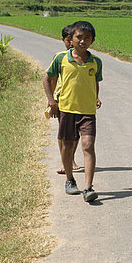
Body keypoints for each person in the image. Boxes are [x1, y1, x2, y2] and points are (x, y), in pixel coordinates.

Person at [43, 21, 103, 203]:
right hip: (67, 110)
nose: (83, 41)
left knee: (88, 145)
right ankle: (70, 180)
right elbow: (47, 79)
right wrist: (52, 101)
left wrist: (95, 98)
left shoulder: (95, 62)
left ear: (93, 40)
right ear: (71, 39)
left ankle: (88, 188)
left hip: (87, 112)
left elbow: (95, 83)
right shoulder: (61, 58)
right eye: (79, 37)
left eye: (87, 38)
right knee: (67, 147)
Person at [51, 24, 81, 174]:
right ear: (63, 40)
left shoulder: (81, 58)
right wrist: (51, 100)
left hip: (78, 99)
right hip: (61, 97)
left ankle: (71, 158)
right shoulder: (60, 58)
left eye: (72, 40)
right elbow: (51, 79)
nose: (70, 43)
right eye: (67, 40)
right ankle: (65, 161)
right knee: (63, 132)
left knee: (76, 131)